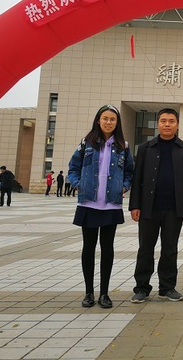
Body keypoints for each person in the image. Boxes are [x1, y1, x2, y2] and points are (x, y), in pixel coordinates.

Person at [68, 105, 134, 309]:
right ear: (98, 120)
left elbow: (130, 171)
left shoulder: (123, 146)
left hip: (110, 205)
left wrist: (124, 186)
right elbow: (73, 168)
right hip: (88, 203)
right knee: (88, 248)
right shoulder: (86, 143)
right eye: (105, 118)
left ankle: (104, 293)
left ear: (117, 123)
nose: (108, 122)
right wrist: (78, 184)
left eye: (112, 119)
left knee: (107, 249)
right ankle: (89, 292)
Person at [130, 108, 183, 303]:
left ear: (177, 124)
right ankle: (141, 288)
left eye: (171, 121)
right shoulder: (146, 148)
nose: (167, 124)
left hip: (174, 208)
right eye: (163, 121)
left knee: (170, 248)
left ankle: (167, 288)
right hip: (148, 207)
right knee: (145, 248)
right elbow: (137, 177)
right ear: (157, 123)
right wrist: (135, 205)